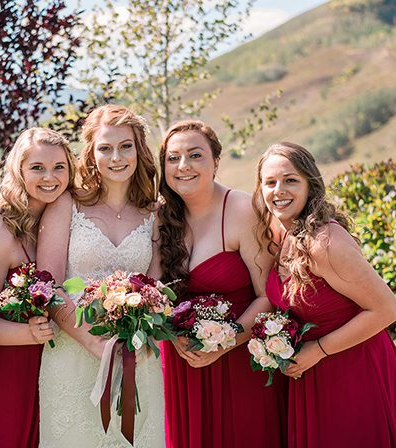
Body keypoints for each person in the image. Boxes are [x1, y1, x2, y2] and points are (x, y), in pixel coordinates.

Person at [255, 142, 396, 448]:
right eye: (270, 182)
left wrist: (317, 350)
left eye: (291, 180)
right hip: (314, 372)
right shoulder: (285, 235)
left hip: (355, 370)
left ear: (310, 184)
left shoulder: (325, 240)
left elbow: (386, 309)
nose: (279, 190)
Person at [36, 104, 166, 447]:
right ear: (91, 154)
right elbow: (47, 285)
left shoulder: (155, 214)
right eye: (105, 148)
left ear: (139, 150)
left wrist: (138, 337)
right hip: (73, 351)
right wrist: (91, 340)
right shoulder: (67, 204)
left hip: (137, 356)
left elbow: (157, 288)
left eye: (126, 146)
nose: (116, 157)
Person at [156, 120, 281, 447]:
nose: (183, 166)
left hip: (237, 361)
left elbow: (268, 294)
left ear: (216, 162)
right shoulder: (162, 218)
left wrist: (225, 342)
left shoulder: (241, 209)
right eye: (173, 158)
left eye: (195, 155)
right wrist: (173, 334)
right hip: (183, 362)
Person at [0, 128, 72, 447]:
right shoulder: (1, 232)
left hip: (56, 367)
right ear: (19, 170)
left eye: (59, 167)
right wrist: (28, 334)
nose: (50, 177)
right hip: (7, 372)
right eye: (37, 168)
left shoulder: (65, 219)